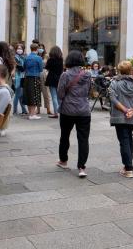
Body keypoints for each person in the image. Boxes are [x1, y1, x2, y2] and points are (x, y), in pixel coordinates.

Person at [56, 50, 92, 178]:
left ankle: (63, 160)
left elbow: (60, 93)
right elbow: (88, 92)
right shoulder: (87, 74)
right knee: (83, 139)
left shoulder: (65, 75)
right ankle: (82, 167)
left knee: (65, 135)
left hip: (68, 110)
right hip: (84, 110)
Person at [109, 60, 133, 178]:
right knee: (129, 137)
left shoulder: (115, 83)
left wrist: (125, 110)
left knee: (124, 140)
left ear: (119, 70)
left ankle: (128, 168)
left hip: (120, 116)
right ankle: (128, 165)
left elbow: (113, 99)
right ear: (131, 70)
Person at [24, 43, 44, 120]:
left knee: (29, 95)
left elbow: (24, 67)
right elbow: (41, 69)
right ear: (37, 49)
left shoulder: (27, 57)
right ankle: (32, 114)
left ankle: (30, 113)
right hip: (35, 77)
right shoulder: (39, 58)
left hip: (27, 77)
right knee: (35, 95)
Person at [45, 46, 63, 119]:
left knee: (54, 96)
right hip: (59, 79)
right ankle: (61, 112)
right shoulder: (61, 60)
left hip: (51, 78)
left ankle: (56, 113)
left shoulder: (50, 60)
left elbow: (47, 67)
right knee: (59, 97)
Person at [37, 43, 54, 116]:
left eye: (42, 47)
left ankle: (48, 109)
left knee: (46, 93)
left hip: (44, 73)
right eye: (39, 47)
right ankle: (38, 110)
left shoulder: (46, 55)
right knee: (37, 92)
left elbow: (49, 65)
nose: (40, 49)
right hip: (37, 73)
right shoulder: (36, 55)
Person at [13, 43, 28, 116]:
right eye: (18, 48)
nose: (19, 50)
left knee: (21, 94)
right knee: (18, 94)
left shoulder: (25, 57)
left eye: (21, 48)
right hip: (17, 77)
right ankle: (15, 110)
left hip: (23, 76)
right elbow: (19, 67)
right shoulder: (15, 57)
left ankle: (23, 110)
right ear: (16, 50)